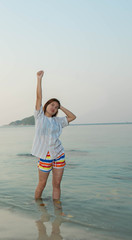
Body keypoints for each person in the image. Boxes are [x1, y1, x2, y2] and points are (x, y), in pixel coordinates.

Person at [32, 70, 76, 200]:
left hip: (59, 154)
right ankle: (37, 207)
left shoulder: (58, 121)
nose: (54, 108)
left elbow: (73, 117)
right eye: (52, 105)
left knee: (56, 184)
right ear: (46, 106)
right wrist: (39, 79)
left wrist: (61, 107)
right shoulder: (39, 116)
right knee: (42, 184)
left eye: (56, 107)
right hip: (45, 156)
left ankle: (57, 211)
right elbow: (39, 97)